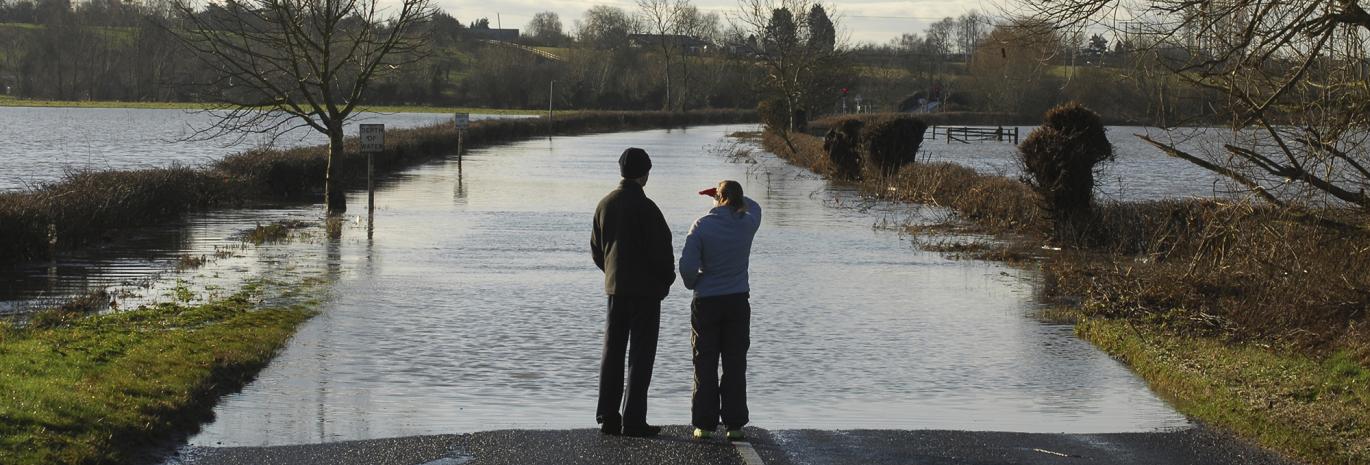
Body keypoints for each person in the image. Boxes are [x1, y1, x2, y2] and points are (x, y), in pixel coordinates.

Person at [590, 147, 676, 437]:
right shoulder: (648, 208)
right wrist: (665, 282)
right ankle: (634, 419)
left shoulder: (604, 204)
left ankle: (608, 416)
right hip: (646, 293)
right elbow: (662, 252)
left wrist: (612, 274)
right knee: (640, 355)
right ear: (645, 174)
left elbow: (596, 250)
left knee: (612, 350)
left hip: (616, 288)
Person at [679, 180, 762, 441]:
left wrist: (695, 282)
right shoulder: (748, 223)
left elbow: (687, 267)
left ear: (718, 197)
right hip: (737, 301)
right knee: (735, 362)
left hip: (707, 302)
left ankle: (704, 424)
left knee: (705, 362)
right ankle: (734, 424)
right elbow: (755, 205)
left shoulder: (702, 225)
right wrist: (730, 198)